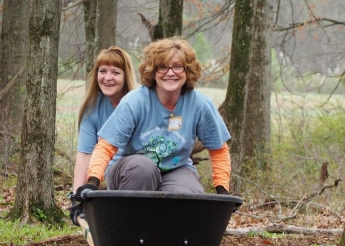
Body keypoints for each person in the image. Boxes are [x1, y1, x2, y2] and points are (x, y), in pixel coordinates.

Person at [74, 37, 231, 203]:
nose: (170, 73)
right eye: (162, 67)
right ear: (153, 71)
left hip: (176, 170)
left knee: (188, 196)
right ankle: (129, 224)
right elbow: (106, 146)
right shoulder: (135, 101)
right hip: (130, 169)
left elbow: (219, 149)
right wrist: (92, 182)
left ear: (187, 71)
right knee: (144, 168)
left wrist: (222, 189)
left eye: (177, 67)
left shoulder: (200, 104)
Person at [69, 46, 137, 225]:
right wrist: (77, 198)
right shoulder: (92, 109)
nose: (107, 77)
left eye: (115, 72)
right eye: (103, 71)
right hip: (109, 174)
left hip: (140, 173)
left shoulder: (138, 104)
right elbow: (84, 155)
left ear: (126, 76)